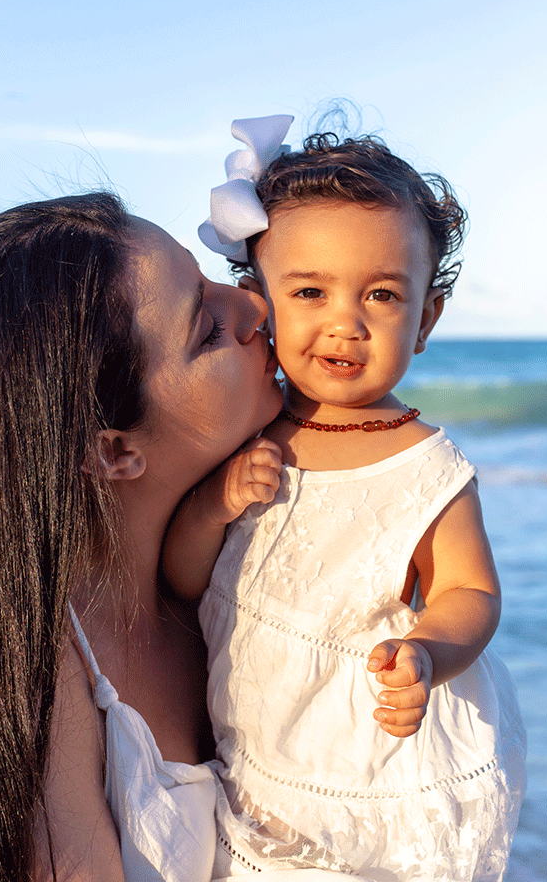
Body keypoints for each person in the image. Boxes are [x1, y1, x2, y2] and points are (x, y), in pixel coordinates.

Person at [163, 116, 527, 880]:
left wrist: (428, 653)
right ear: (258, 300)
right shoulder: (245, 433)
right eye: (308, 290)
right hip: (255, 758)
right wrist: (211, 508)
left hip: (368, 774)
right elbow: (184, 579)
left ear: (424, 318)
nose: (344, 323)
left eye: (383, 295)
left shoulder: (424, 466)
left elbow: (469, 590)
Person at [0, 191, 295, 882]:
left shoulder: (240, 556)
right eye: (205, 327)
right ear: (112, 451)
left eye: (210, 279)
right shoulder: (33, 675)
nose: (254, 308)